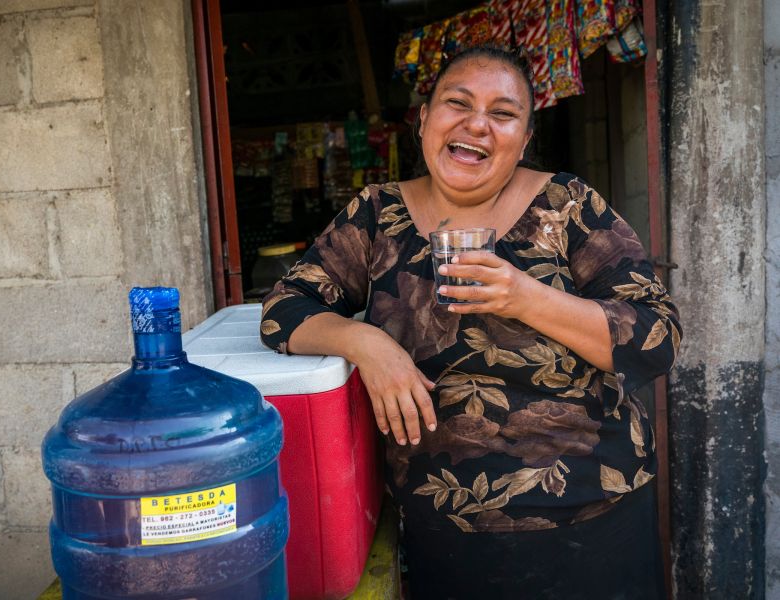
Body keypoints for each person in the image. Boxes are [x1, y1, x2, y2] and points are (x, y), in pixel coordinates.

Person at [260, 45, 681, 599]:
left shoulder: (566, 205)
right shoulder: (377, 215)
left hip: (594, 515)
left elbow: (657, 336)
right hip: (445, 527)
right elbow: (284, 309)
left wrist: (526, 297)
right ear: (424, 119)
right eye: (457, 103)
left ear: (524, 139)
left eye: (502, 113)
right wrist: (365, 342)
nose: (477, 124)